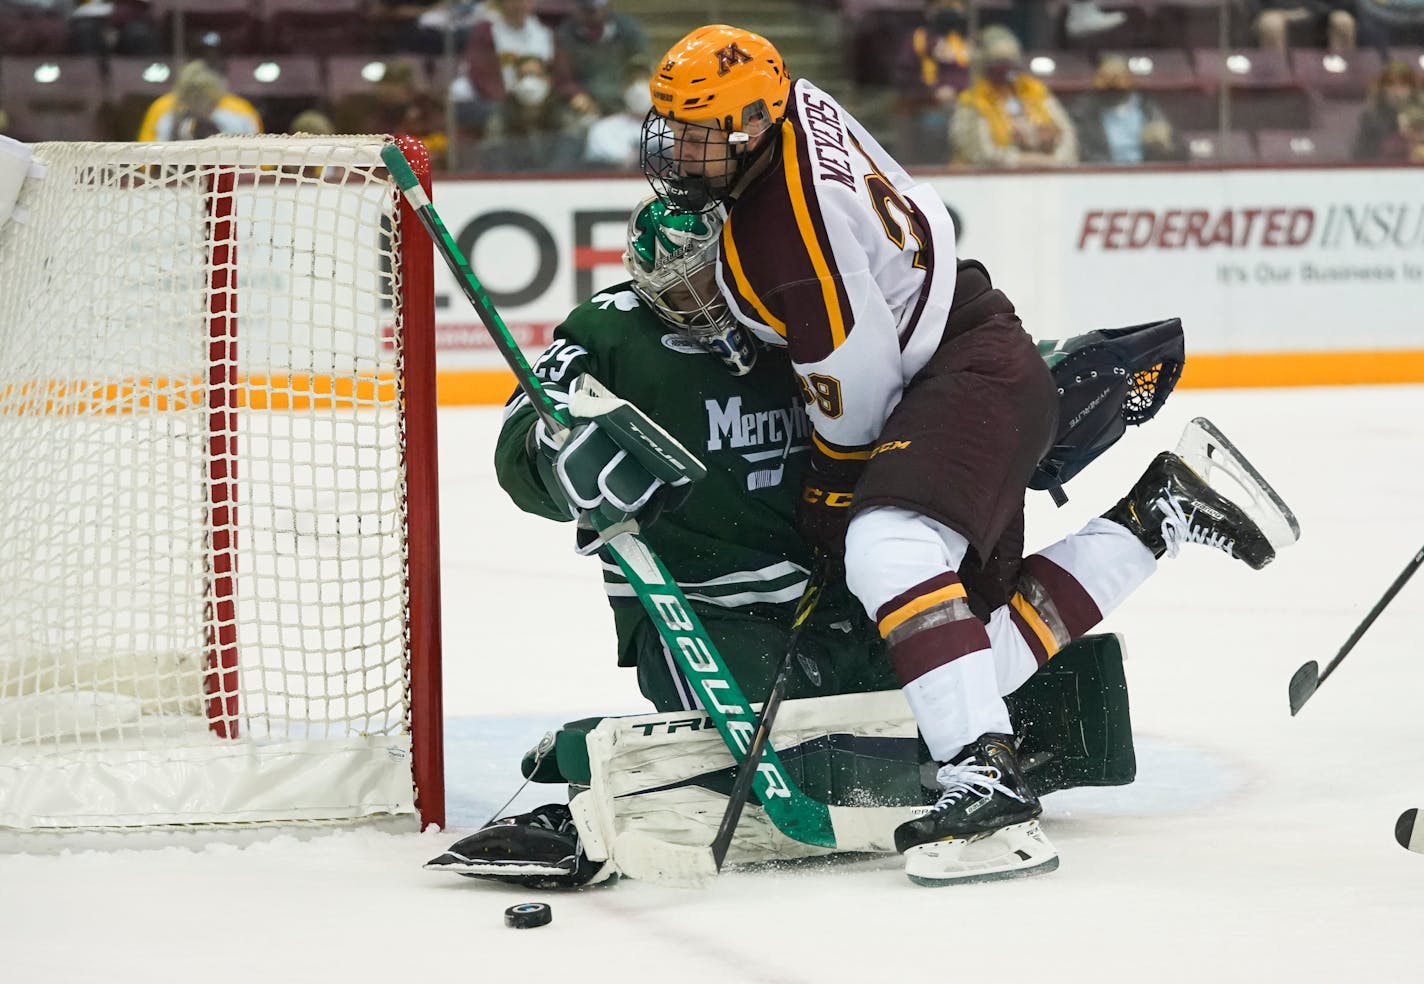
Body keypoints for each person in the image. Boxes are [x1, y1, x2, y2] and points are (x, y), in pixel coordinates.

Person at [637, 24, 1295, 885]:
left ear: (755, 125)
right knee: (963, 651)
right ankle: (1157, 515)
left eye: (700, 132)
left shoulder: (782, 242)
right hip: (956, 352)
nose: (678, 147)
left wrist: (836, 498)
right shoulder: (797, 103)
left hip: (962, 370)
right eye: (674, 126)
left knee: (886, 547)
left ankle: (985, 780)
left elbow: (858, 387)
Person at [429, 197, 1154, 889]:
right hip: (709, 612)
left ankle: (1146, 527)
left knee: (944, 681)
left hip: (834, 592)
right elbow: (525, 436)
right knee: (802, 736)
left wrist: (1026, 398)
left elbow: (929, 378)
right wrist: (553, 462)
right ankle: (596, 781)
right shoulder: (607, 332)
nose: (702, 304)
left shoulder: (797, 312)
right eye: (678, 293)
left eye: (712, 279)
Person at [950, 25, 1078, 168]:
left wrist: (1059, 159)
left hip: (1048, 178)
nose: (1006, 67)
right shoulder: (971, 100)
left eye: (1011, 60)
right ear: (985, 62)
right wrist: (1031, 160)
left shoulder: (1034, 90)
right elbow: (980, 152)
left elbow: (1066, 132)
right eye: (999, 61)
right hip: (990, 183)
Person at [462, 0, 597, 118]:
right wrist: (510, 103)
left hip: (544, 105)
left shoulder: (544, 32)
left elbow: (561, 76)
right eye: (514, 1)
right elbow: (482, 76)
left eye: (527, 0)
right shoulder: (486, 32)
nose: (521, 5)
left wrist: (576, 95)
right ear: (501, 3)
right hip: (504, 106)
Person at [892, 0, 973, 165]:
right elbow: (902, 77)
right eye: (942, 4)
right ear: (929, 10)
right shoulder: (918, 39)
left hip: (966, 106)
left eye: (954, 4)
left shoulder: (967, 40)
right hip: (928, 107)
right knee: (933, 126)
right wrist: (931, 92)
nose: (949, 9)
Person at [1071, 54, 1184, 165]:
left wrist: (1163, 147)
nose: (1112, 84)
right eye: (1106, 77)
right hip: (1103, 175)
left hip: (1146, 174)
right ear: (1096, 80)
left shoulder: (1148, 108)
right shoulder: (1082, 113)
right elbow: (1083, 153)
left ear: (1130, 79)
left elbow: (1180, 152)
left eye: (1118, 77)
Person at [554, 0, 648, 117]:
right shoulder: (566, 33)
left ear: (609, 5)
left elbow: (640, 66)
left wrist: (632, 91)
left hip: (623, 97)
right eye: (586, 9)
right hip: (585, 101)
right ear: (577, 9)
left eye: (595, 8)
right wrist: (576, 94)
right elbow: (564, 76)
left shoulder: (628, 29)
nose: (592, 14)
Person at [135, 60, 262, 142]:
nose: (199, 102)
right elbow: (145, 161)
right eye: (193, 96)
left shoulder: (240, 110)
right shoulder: (162, 108)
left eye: (205, 98)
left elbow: (263, 163)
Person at [581, 58, 651, 170]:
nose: (638, 89)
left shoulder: (673, 130)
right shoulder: (602, 130)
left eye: (645, 80)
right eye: (631, 82)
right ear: (622, 89)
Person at [1352, 59, 1422, 162]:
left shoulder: (1422, 115)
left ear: (1412, 88)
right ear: (1383, 89)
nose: (1397, 91)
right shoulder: (1371, 118)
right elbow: (1360, 155)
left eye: (1403, 85)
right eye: (1391, 85)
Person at [1251, 0, 1356, 55]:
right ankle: (1276, 81)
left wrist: (1317, 10)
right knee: (1271, 24)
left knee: (1343, 20)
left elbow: (1344, 3)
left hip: (1318, 11)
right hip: (1277, 12)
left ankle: (1342, 81)